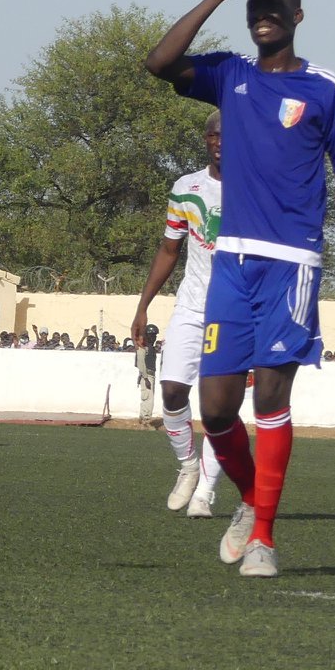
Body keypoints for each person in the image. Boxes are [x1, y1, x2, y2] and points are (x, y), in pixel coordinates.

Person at [147, 0, 335, 577]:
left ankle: (263, 537)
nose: (263, 15)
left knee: (270, 396)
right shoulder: (229, 75)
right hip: (231, 264)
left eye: (275, 7)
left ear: (298, 16)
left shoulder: (325, 88)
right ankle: (250, 499)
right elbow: (159, 63)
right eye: (256, 7)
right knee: (215, 409)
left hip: (293, 265)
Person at [130, 111, 228, 517]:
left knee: (219, 406)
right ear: (206, 139)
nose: (222, 141)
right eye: (215, 135)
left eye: (231, 135)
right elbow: (169, 249)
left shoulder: (257, 187)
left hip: (233, 311)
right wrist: (143, 304)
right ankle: (188, 466)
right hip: (191, 304)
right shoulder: (186, 188)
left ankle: (206, 490)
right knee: (171, 391)